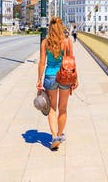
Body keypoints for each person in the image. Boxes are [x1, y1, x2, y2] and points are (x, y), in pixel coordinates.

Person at [36, 17, 78, 150]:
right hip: (65, 75)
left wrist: (38, 79)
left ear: (50, 28)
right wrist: (75, 79)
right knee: (63, 108)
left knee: (52, 108)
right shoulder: (67, 42)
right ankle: (59, 135)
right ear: (61, 28)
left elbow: (42, 62)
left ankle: (54, 136)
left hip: (50, 77)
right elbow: (71, 61)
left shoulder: (45, 42)